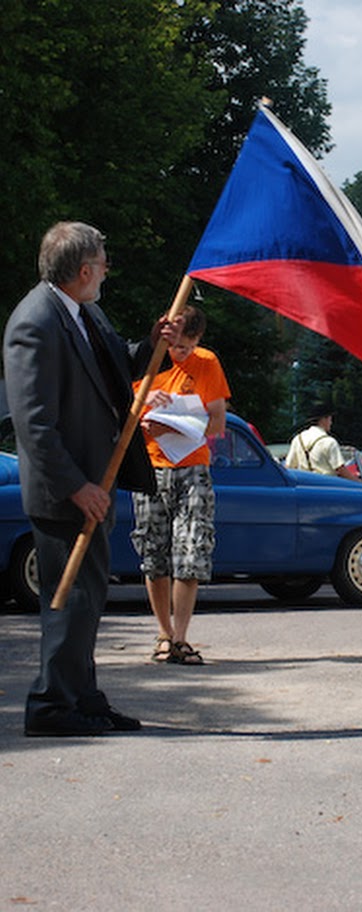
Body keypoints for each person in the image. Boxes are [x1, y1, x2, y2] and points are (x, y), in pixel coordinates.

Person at [3, 221, 177, 736]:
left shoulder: (85, 313)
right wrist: (77, 485)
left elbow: (116, 368)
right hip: (67, 493)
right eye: (102, 262)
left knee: (86, 599)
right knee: (69, 599)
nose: (106, 270)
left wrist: (153, 344)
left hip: (93, 487)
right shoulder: (34, 322)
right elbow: (32, 422)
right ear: (83, 270)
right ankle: (52, 706)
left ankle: (83, 698)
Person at [130, 306, 230, 665]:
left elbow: (217, 422)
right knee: (153, 553)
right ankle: (163, 633)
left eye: (188, 348)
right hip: (151, 468)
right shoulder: (147, 360)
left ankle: (182, 638)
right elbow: (123, 412)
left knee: (190, 553)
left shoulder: (207, 363)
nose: (181, 354)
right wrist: (143, 407)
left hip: (193, 467)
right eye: (177, 347)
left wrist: (176, 426)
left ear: (198, 341)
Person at [286, 405, 357, 478]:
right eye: (330, 419)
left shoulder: (298, 439)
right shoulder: (329, 442)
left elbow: (289, 466)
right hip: (327, 485)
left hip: (305, 485)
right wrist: (358, 483)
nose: (331, 423)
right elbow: (340, 469)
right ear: (323, 419)